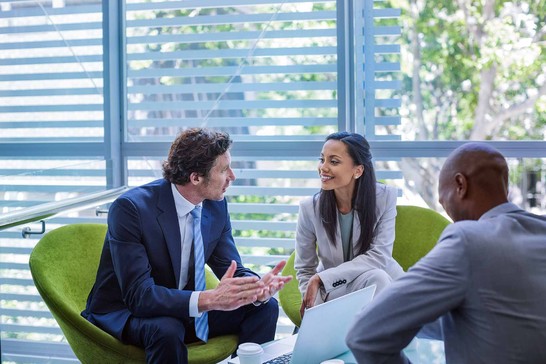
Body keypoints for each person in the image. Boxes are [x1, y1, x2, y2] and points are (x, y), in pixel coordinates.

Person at [82, 128, 292, 364]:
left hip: (183, 306)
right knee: (167, 329)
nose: (232, 176)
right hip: (128, 311)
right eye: (223, 170)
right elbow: (140, 296)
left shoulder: (215, 205)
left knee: (265, 308)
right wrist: (209, 299)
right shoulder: (131, 209)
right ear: (196, 177)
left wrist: (255, 289)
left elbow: (230, 267)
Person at [346, 142, 546, 363]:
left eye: (443, 200)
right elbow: (501, 317)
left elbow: (365, 334)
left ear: (460, 185)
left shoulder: (467, 239)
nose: (447, 212)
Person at [295, 131, 403, 315]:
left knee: (378, 277)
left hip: (381, 283)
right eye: (322, 159)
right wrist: (314, 305)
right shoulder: (309, 208)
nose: (323, 167)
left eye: (334, 161)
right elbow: (305, 268)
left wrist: (322, 278)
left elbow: (379, 256)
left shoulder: (385, 197)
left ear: (358, 170)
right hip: (336, 290)